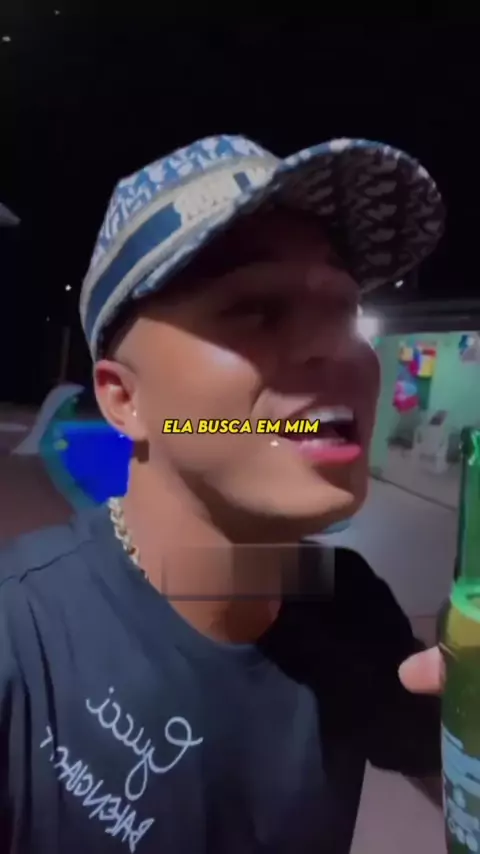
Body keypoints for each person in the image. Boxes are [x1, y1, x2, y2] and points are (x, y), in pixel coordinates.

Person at [0, 134, 445, 853]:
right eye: (258, 308)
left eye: (345, 307)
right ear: (123, 399)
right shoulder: (21, 640)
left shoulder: (349, 606)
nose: (338, 347)